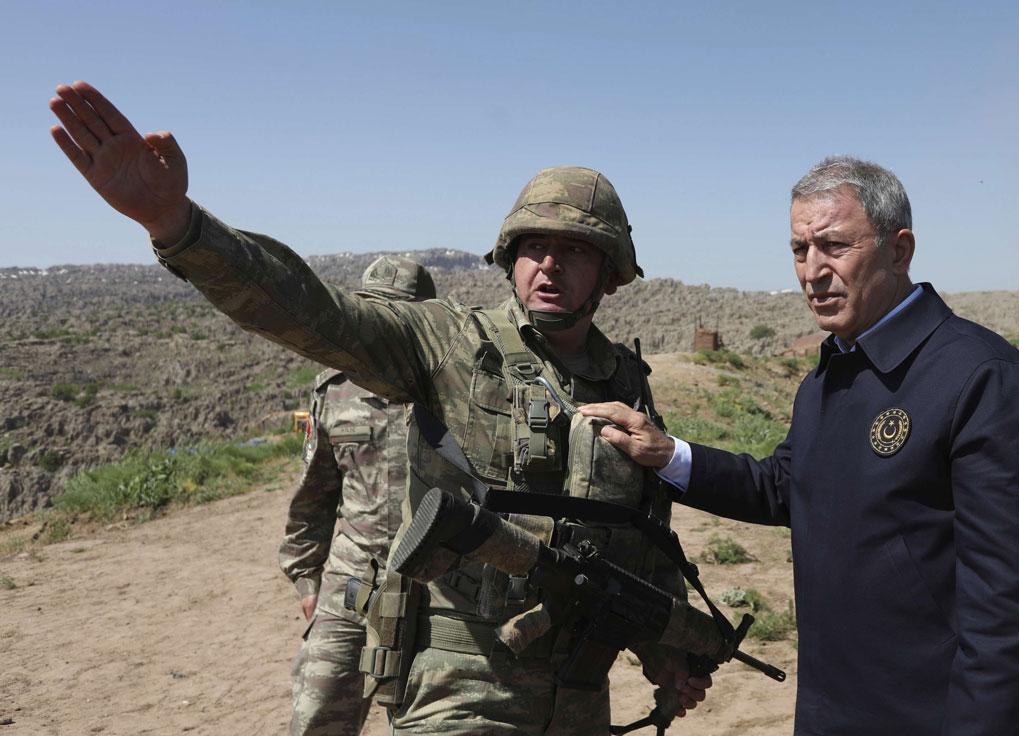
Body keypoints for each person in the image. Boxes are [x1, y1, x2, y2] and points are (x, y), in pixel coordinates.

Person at [48, 81, 708, 736]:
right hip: (459, 691)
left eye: (573, 249)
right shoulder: (451, 342)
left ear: (612, 270)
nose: (548, 264)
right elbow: (310, 309)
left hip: (581, 700)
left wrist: (667, 654)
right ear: (510, 257)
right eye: (535, 246)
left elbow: (642, 550)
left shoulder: (628, 385)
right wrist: (179, 226)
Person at [582, 156, 1019, 736]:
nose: (812, 271)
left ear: (899, 249)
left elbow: (1013, 610)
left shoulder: (981, 376)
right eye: (798, 250)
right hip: (829, 707)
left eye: (834, 247)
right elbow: (785, 486)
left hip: (927, 715)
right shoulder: (827, 378)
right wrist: (668, 454)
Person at [279, 256, 435, 736]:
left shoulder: (454, 388)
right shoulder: (334, 390)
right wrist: (307, 579)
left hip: (438, 590)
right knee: (318, 718)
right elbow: (315, 495)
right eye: (373, 314)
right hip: (351, 585)